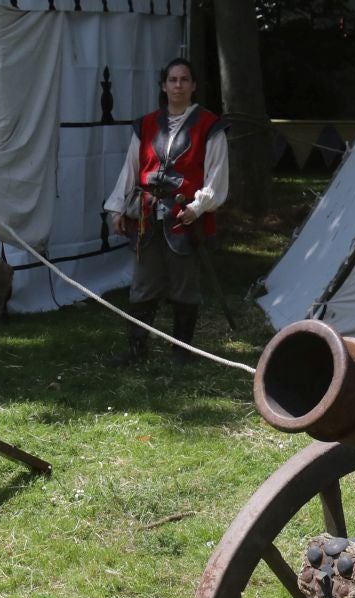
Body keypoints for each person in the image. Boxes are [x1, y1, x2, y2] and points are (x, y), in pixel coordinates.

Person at [102, 58, 229, 367]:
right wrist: (118, 207)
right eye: (172, 80)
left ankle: (182, 353)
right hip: (146, 215)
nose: (178, 85)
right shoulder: (146, 125)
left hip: (183, 216)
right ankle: (136, 349)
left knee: (184, 285)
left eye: (184, 79)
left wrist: (198, 207)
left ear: (194, 85)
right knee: (143, 283)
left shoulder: (209, 125)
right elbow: (131, 169)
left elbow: (216, 174)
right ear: (163, 85)